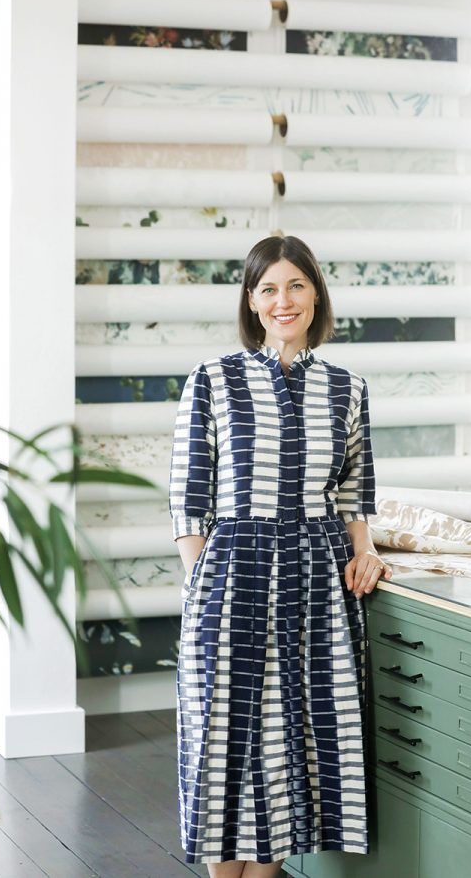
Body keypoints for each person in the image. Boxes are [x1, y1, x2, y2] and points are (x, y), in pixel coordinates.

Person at [169, 235, 393, 877]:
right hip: (231, 574)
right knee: (227, 740)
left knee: (290, 742)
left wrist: (366, 550)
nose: (283, 299)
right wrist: (200, 586)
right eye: (268, 288)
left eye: (295, 285)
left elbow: (354, 491)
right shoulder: (213, 380)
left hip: (317, 579)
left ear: (315, 293)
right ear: (252, 301)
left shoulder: (348, 388)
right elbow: (188, 499)